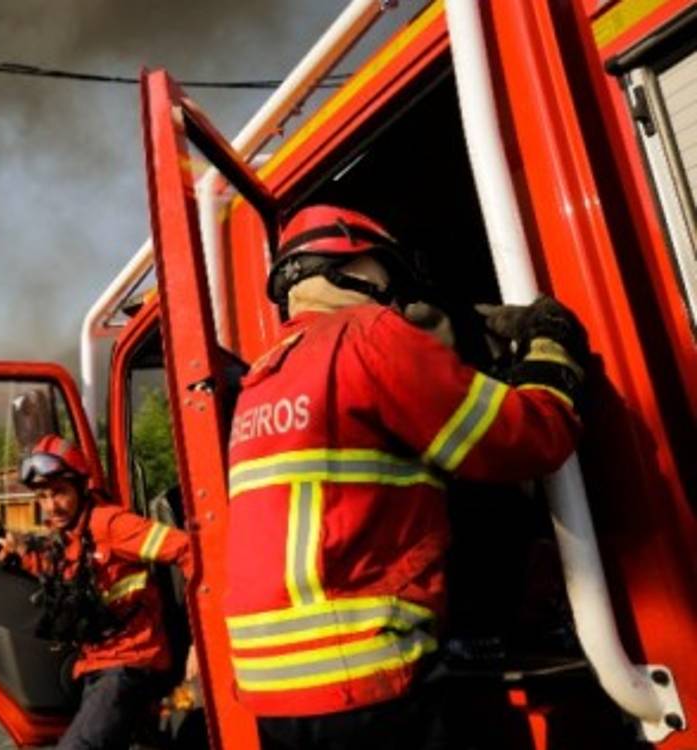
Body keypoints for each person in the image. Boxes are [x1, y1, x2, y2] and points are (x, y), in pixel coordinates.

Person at [224, 205, 589, 749]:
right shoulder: (369, 334)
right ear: (353, 265)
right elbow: (524, 439)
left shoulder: (262, 378)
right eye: (387, 273)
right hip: (368, 679)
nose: (395, 294)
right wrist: (549, 350)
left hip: (274, 693)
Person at [0, 434, 195, 750]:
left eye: (59, 492)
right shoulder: (65, 534)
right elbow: (67, 574)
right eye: (44, 496)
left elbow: (188, 549)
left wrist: (202, 641)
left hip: (131, 663)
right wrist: (20, 555)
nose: (51, 506)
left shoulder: (111, 524)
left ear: (80, 486)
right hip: (96, 665)